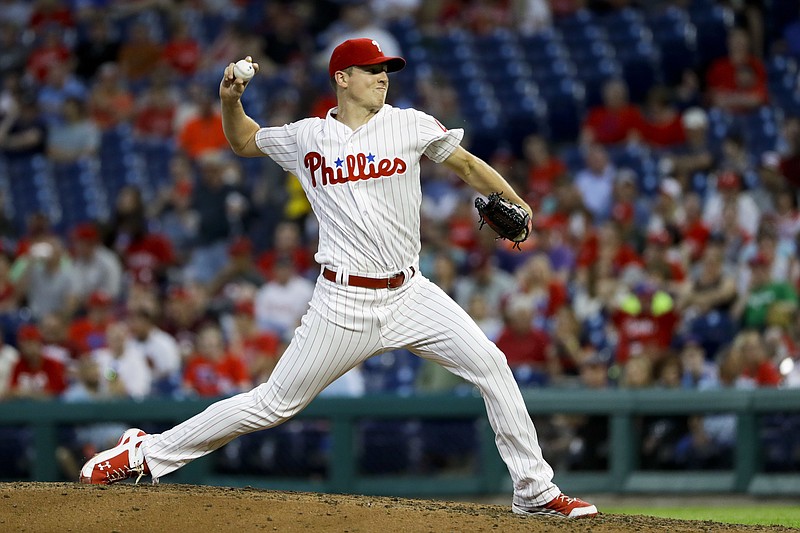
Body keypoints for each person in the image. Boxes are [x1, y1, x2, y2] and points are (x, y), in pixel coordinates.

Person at [79, 39, 598, 519]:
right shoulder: (309, 136)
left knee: (491, 364)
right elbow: (242, 142)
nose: (383, 77)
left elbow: (464, 164)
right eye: (372, 70)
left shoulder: (410, 124)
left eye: (386, 70)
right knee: (271, 405)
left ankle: (534, 491)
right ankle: (144, 453)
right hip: (342, 302)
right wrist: (230, 100)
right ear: (342, 77)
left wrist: (517, 199)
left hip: (410, 293)